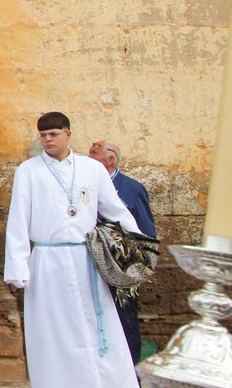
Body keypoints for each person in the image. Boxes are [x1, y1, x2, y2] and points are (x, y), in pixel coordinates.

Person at [4, 112, 143, 388]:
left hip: (85, 259)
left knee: (96, 322)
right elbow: (18, 219)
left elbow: (115, 210)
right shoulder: (28, 171)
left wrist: (139, 250)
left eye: (53, 134)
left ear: (68, 133)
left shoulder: (91, 169)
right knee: (54, 328)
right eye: (43, 135)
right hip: (47, 260)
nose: (47, 140)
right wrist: (18, 266)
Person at [88, 138, 156, 364]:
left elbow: (145, 228)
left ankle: (131, 371)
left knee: (125, 317)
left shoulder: (132, 188)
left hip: (122, 264)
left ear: (110, 159)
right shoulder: (84, 185)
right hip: (90, 262)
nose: (89, 156)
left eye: (95, 153)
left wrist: (145, 263)